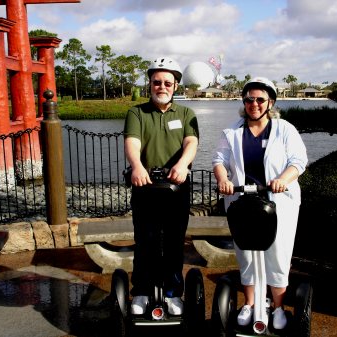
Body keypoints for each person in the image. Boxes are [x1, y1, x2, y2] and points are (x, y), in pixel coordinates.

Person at [212, 77, 308, 330]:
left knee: (278, 254)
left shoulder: (284, 129)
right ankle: (250, 303)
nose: (254, 104)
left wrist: (283, 179)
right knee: (247, 254)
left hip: (278, 202)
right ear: (244, 103)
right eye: (249, 99)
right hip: (243, 202)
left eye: (260, 100)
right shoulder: (232, 131)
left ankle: (278, 307)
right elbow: (219, 160)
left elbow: (298, 161)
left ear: (270, 103)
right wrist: (223, 179)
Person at [124, 57, 199, 316]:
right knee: (145, 240)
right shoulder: (137, 112)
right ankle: (142, 290)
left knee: (174, 242)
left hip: (176, 187)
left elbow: (191, 143)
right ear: (150, 84)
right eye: (157, 82)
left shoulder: (186, 114)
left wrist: (183, 165)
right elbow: (132, 142)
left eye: (168, 82)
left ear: (176, 86)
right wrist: (137, 166)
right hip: (145, 186)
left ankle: (172, 292)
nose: (162, 86)